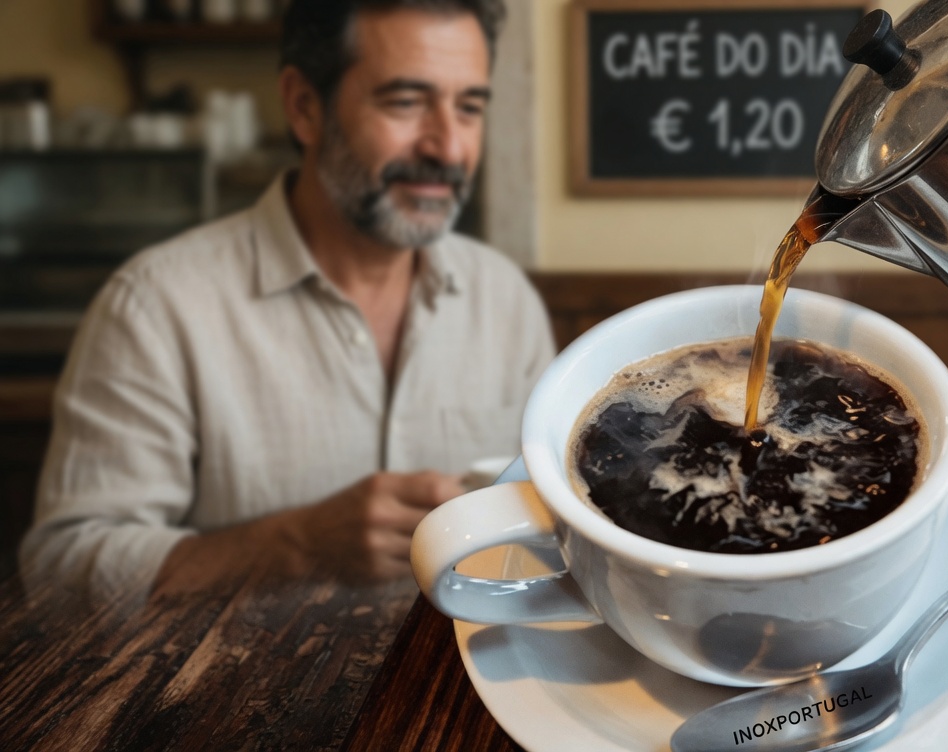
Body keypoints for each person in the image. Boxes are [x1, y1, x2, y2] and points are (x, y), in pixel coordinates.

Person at [20, 0, 556, 604]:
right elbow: (59, 573)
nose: (448, 147)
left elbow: (547, 526)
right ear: (304, 107)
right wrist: (292, 546)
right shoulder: (154, 307)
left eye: (469, 107)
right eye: (405, 103)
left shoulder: (506, 299)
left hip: (457, 687)